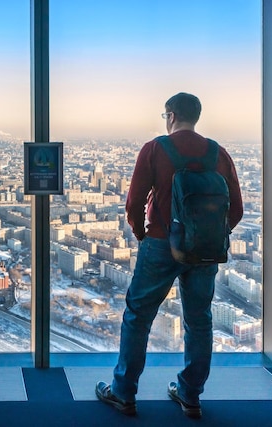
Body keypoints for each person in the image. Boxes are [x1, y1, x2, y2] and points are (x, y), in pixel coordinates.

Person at [95, 92, 243, 418]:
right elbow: (236, 209)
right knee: (199, 320)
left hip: (161, 244)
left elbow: (134, 203)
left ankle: (123, 393)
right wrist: (211, 236)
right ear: (197, 116)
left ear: (170, 115)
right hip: (205, 250)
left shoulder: (155, 149)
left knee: (138, 316)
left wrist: (142, 234)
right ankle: (190, 395)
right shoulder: (219, 154)